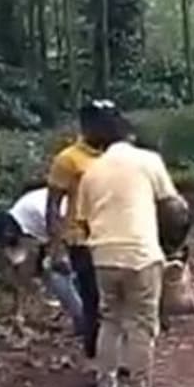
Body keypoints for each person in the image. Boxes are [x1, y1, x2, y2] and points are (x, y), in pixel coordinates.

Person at [74, 122, 188, 387]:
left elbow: (84, 220)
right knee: (141, 326)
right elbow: (173, 207)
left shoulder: (91, 171)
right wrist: (172, 243)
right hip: (140, 253)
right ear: (130, 137)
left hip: (103, 255)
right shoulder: (148, 161)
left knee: (109, 321)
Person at [45, 101, 115, 360]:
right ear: (87, 125)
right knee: (94, 301)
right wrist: (56, 248)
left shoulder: (116, 155)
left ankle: (117, 357)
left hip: (114, 235)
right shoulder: (68, 160)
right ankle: (97, 359)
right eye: (102, 122)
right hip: (82, 240)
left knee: (116, 302)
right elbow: (53, 205)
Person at [0, 187, 85, 334]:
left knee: (57, 272)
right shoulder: (19, 228)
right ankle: (84, 316)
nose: (3, 248)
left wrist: (57, 257)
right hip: (70, 237)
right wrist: (18, 313)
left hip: (85, 221)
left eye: (1, 243)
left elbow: (63, 225)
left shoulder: (33, 210)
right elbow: (19, 270)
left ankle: (85, 320)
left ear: (6, 233)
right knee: (52, 271)